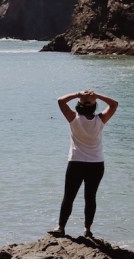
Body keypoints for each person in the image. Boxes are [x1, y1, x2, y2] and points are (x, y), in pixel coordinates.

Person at [50, 89, 118, 238]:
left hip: (76, 162)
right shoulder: (100, 120)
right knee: (90, 197)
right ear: (94, 106)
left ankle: (61, 227)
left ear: (79, 105)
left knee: (69, 196)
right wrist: (97, 95)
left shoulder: (73, 118)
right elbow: (114, 104)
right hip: (96, 164)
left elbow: (60, 100)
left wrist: (78, 94)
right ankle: (87, 230)